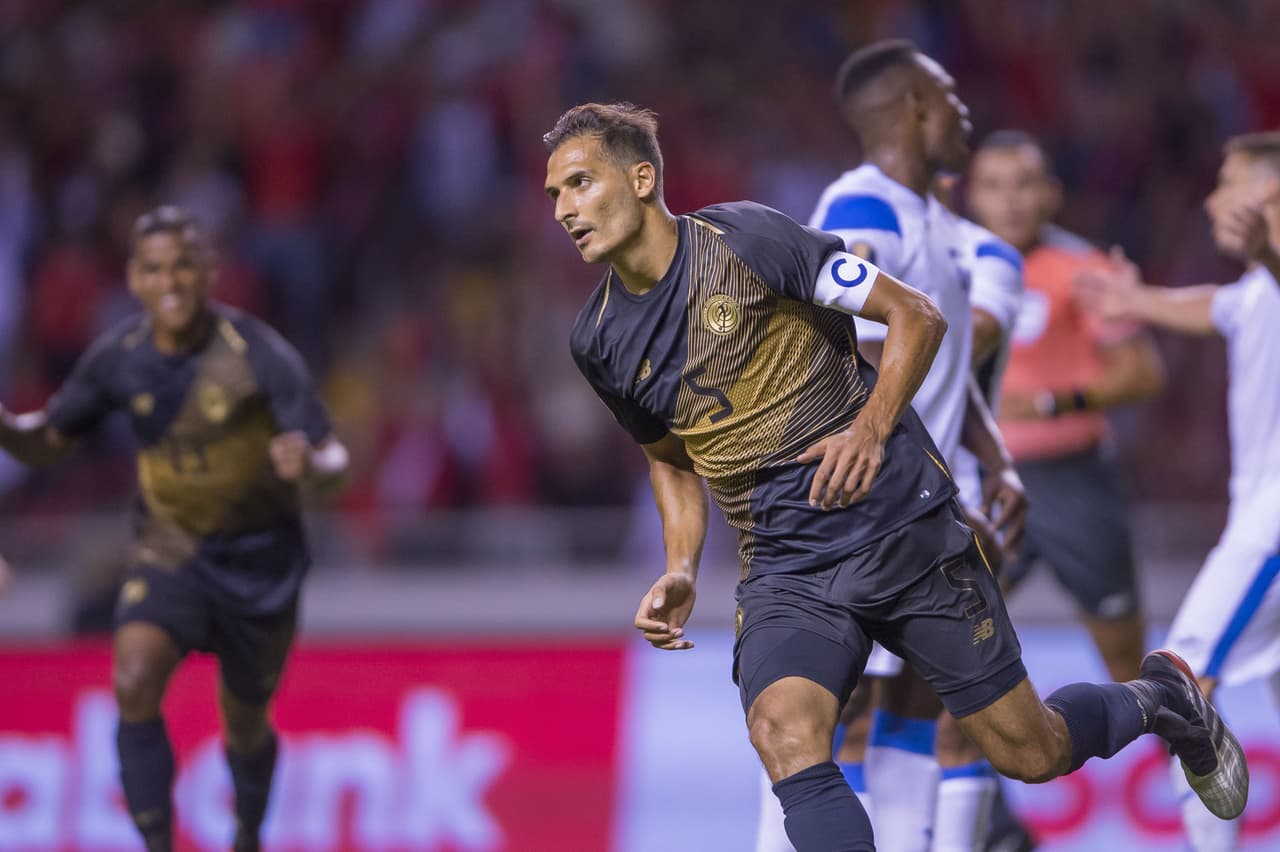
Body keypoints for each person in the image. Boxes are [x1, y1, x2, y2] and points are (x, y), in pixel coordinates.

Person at [545, 100, 1246, 852]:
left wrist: (870, 430)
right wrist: (681, 565)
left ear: (643, 177)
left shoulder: (743, 239)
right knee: (786, 734)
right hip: (785, 565)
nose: (564, 209)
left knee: (1030, 751)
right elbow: (668, 458)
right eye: (555, 194)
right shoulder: (598, 339)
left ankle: (1162, 696)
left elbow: (915, 315)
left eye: (580, 183)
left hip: (899, 526)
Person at [0, 206, 349, 852]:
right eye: (155, 268)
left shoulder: (257, 354)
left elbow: (333, 456)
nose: (171, 281)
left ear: (208, 272)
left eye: (184, 265)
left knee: (244, 724)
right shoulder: (121, 358)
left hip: (259, 565)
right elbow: (49, 436)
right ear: (134, 279)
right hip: (171, 552)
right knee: (132, 678)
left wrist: (309, 463)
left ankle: (247, 834)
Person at [759, 41, 1028, 852]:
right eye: (951, 96)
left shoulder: (938, 227)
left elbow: (949, 369)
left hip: (919, 511)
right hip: (859, 512)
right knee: (831, 724)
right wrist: (941, 489)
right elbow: (844, 329)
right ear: (914, 105)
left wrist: (995, 453)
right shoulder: (863, 206)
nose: (966, 113)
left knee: (917, 709)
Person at [1076, 130, 1280, 852]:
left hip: (1274, 522)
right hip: (1257, 506)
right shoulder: (1255, 289)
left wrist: (1267, 248)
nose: (1209, 195)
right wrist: (1140, 300)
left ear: (1266, 193)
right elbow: (1218, 306)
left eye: (1225, 180)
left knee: (1184, 681)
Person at [967, 129, 1164, 684]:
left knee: (1128, 662)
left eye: (1024, 184)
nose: (1010, 199)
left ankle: (1193, 765)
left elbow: (1143, 372)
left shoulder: (1081, 267)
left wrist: (1051, 402)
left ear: (1051, 193)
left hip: (1073, 483)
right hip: (980, 481)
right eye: (994, 186)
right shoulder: (954, 267)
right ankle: (971, 775)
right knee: (953, 657)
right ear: (972, 196)